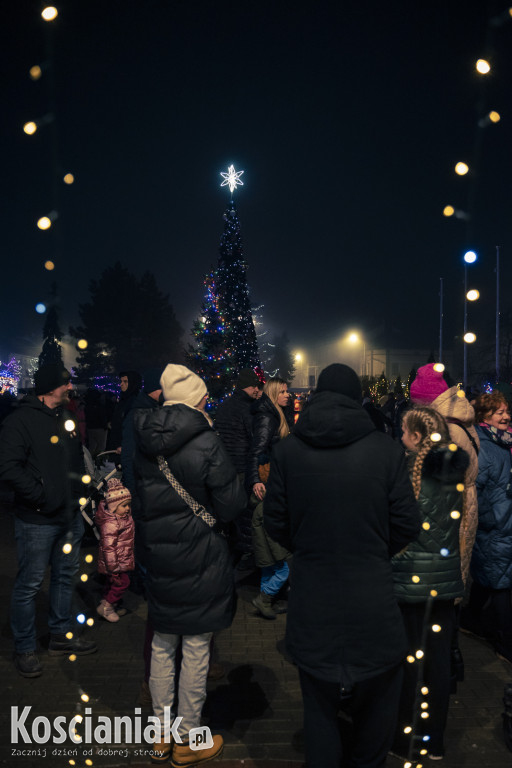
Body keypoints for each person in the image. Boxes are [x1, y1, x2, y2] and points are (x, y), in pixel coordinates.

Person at [263, 363, 421, 768]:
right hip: (372, 596)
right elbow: (407, 523)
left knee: (319, 709)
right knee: (377, 708)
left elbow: (275, 522)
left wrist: (309, 548)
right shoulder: (386, 450)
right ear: (356, 398)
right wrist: (373, 551)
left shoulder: (287, 451)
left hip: (313, 595)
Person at [134, 364, 246, 765]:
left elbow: (140, 497)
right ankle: (186, 738)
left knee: (163, 644)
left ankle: (160, 734)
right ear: (199, 400)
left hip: (159, 555)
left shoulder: (144, 437)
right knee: (196, 647)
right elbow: (232, 505)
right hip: (200, 554)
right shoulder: (207, 440)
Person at [0, 363, 97, 678]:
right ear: (49, 387)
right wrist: (42, 496)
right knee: (29, 584)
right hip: (37, 519)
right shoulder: (19, 421)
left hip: (69, 516)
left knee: (64, 577)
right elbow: (9, 467)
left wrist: (81, 488)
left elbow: (74, 458)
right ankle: (25, 648)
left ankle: (60, 635)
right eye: (65, 384)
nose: (70, 389)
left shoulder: (66, 417)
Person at [391, 406, 468, 761]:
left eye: (405, 431)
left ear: (418, 437)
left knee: (409, 664)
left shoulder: (409, 472)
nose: (400, 437)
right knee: (437, 667)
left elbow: (401, 531)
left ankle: (404, 738)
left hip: (410, 585)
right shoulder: (455, 473)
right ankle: (433, 741)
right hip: (445, 583)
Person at [460, 392, 512, 663]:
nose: (506, 416)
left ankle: (469, 619)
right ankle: (505, 643)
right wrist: (491, 520)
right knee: (501, 585)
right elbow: (474, 491)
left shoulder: (503, 442)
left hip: (504, 527)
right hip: (494, 530)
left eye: (506, 411)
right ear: (483, 417)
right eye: (499, 412)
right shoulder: (485, 447)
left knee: (488, 580)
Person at [247, 378, 292, 619]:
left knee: (267, 553)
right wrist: (256, 480)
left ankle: (266, 599)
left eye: (287, 391)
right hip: (267, 485)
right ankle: (266, 597)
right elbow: (256, 451)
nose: (288, 395)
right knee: (276, 548)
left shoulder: (276, 415)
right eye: (283, 391)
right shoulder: (268, 418)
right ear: (273, 394)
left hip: (269, 482)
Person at [215, 367, 260, 563]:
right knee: (246, 512)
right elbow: (254, 438)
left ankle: (231, 548)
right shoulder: (248, 408)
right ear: (250, 387)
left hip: (226, 465)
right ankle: (246, 553)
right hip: (242, 465)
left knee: (230, 510)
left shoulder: (225, 405)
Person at [95, 477, 135, 623]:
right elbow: (108, 548)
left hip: (120, 560)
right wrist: (114, 568)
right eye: (124, 506)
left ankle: (109, 602)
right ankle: (106, 606)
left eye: (128, 505)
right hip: (115, 564)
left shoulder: (122, 517)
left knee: (110, 584)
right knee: (122, 583)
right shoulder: (111, 523)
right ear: (113, 507)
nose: (128, 508)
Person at [106, 370, 142, 453]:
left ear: (133, 383)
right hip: (119, 446)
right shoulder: (123, 399)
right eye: (121, 381)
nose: (121, 384)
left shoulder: (136, 402)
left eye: (125, 381)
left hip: (128, 448)